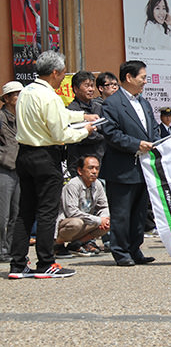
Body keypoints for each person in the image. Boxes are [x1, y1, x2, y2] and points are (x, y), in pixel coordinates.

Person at [9, 51, 97, 279]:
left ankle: (17, 264)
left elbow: (59, 115)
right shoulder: (50, 96)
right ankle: (46, 262)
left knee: (25, 211)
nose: (62, 77)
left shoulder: (26, 91)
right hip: (46, 156)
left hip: (24, 154)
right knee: (47, 211)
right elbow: (60, 133)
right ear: (55, 72)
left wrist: (82, 117)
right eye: (62, 73)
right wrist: (85, 132)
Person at [100, 60, 160, 267]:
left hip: (144, 167)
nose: (145, 81)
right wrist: (136, 144)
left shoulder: (144, 103)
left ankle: (135, 249)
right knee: (121, 213)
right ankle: (120, 251)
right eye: (142, 77)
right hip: (122, 168)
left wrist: (155, 142)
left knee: (139, 213)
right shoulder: (112, 104)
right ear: (128, 77)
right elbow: (111, 133)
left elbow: (154, 128)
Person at [54, 156, 110, 258]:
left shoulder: (97, 184)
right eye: (90, 168)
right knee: (77, 223)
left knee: (109, 222)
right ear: (80, 171)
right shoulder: (73, 185)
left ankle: (76, 244)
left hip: (85, 221)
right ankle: (57, 244)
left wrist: (104, 219)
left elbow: (103, 206)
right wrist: (98, 220)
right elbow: (71, 212)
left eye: (97, 168)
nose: (94, 172)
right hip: (66, 222)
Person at [66, 71, 106, 178]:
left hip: (100, 160)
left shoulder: (98, 107)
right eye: (87, 86)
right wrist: (101, 135)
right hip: (80, 162)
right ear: (76, 89)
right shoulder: (72, 110)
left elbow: (105, 127)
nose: (91, 89)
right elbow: (83, 135)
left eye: (92, 86)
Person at [0, 81, 23, 263]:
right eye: (16, 94)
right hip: (4, 169)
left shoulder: (23, 118)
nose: (19, 97)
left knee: (16, 213)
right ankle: (1, 249)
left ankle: (8, 249)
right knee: (3, 214)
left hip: (20, 169)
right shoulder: (1, 118)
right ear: (7, 98)